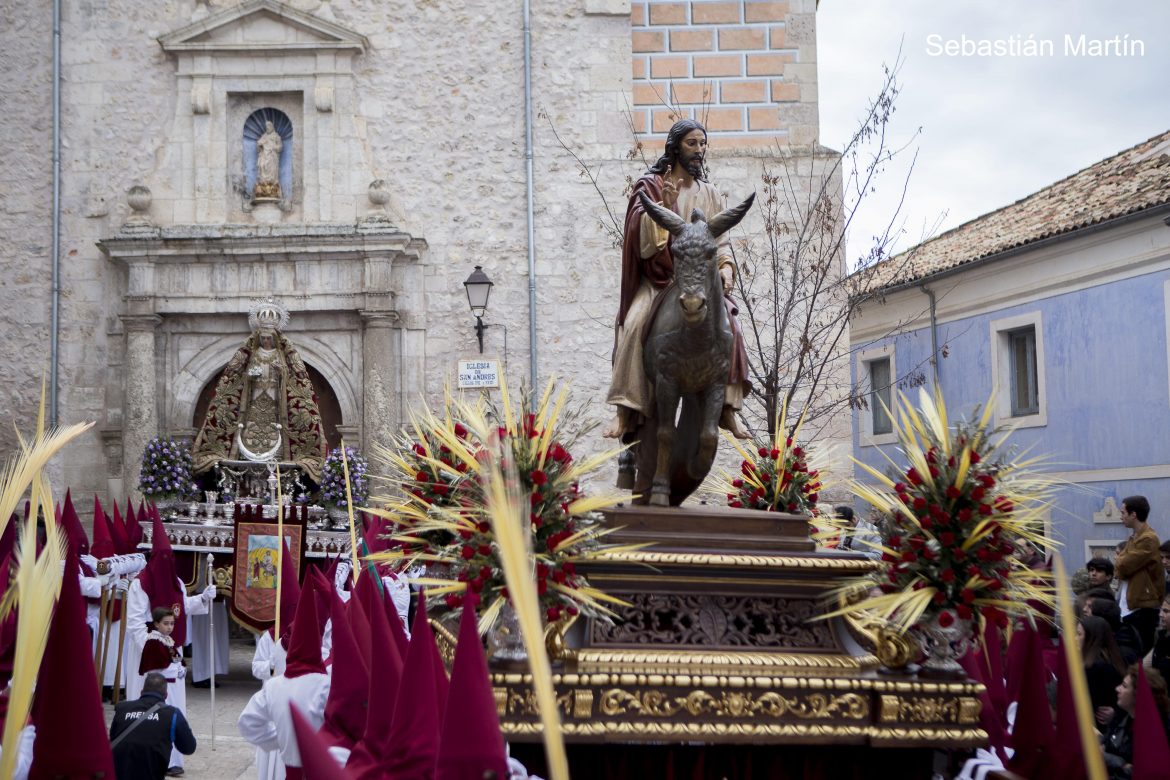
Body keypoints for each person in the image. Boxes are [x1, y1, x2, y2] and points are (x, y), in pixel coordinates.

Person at [604, 118, 752, 443]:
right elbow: (642, 243)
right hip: (662, 278)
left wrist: (726, 268)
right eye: (692, 144)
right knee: (634, 324)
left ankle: (728, 404)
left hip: (700, 281)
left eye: (702, 144)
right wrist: (666, 205)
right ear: (675, 147)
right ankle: (626, 409)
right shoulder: (653, 185)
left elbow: (721, 241)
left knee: (732, 325)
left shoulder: (709, 193)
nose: (699, 150)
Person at [191, 300, 327, 483]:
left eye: (269, 338)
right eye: (263, 338)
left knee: (274, 425)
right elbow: (239, 375)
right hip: (255, 397)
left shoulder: (282, 354)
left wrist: (282, 373)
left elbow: (292, 378)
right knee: (251, 425)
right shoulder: (253, 353)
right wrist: (251, 376)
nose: (266, 341)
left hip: (274, 398)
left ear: (275, 338)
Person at [110, 672, 197, 780]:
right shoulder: (172, 714)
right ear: (166, 695)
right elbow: (189, 748)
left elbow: (112, 739)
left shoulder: (121, 708)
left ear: (141, 692)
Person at [1115, 495, 1164, 657]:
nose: (1121, 516)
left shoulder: (1149, 539)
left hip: (1141, 609)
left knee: (1137, 656)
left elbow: (1122, 565)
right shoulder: (1134, 538)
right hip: (1130, 608)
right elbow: (1121, 569)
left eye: (1123, 512)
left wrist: (1121, 561)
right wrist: (1121, 562)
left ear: (1133, 514)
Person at [1101, 665, 1170, 779]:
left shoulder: (1158, 733)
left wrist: (1106, 758)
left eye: (1124, 686)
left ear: (1138, 695)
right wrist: (1119, 762)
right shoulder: (1122, 715)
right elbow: (1104, 741)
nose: (1117, 689)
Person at [1077, 615, 1127, 726]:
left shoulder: (1096, 668)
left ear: (1091, 639)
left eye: (1079, 634)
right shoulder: (1111, 659)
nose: (1075, 638)